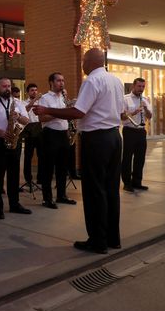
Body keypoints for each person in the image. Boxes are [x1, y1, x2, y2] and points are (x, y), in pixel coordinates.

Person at [33, 48, 123, 255]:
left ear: (91, 62)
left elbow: (78, 112)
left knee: (94, 191)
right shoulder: (115, 80)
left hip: (97, 139)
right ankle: (113, 238)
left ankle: (97, 241)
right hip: (114, 137)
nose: (82, 64)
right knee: (111, 189)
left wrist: (47, 110)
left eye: (84, 60)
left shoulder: (92, 81)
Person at [0, 77, 31, 219]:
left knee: (14, 175)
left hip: (15, 141)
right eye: (4, 86)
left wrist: (18, 116)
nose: (7, 89)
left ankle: (14, 204)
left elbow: (27, 121)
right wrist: (0, 132)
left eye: (9, 86)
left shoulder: (17, 103)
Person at [38, 73, 77, 209]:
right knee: (48, 168)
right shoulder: (45, 98)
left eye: (63, 80)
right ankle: (47, 199)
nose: (62, 83)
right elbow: (41, 118)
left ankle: (61, 195)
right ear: (51, 82)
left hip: (63, 134)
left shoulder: (64, 97)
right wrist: (60, 113)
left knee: (62, 167)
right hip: (50, 134)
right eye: (59, 80)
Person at [121, 77, 152, 192]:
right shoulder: (125, 99)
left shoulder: (145, 99)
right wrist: (134, 112)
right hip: (129, 130)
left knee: (140, 158)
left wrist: (146, 109)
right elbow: (122, 117)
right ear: (133, 86)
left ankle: (137, 182)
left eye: (143, 86)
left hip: (141, 131)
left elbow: (150, 116)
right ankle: (127, 183)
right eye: (139, 86)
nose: (141, 89)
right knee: (127, 157)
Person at [23, 83, 42, 187]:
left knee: (41, 156)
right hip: (29, 132)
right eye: (32, 90)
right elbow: (25, 110)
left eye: (35, 90)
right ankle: (28, 179)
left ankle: (40, 178)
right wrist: (34, 100)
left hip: (40, 131)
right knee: (28, 156)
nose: (34, 92)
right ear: (27, 92)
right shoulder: (23, 102)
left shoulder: (41, 102)